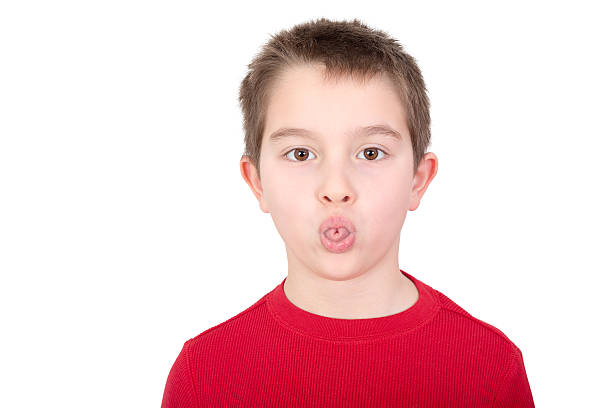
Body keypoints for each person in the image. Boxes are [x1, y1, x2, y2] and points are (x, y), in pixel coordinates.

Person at [161, 17, 535, 407]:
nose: (336, 189)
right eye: (300, 154)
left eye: (370, 153)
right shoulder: (204, 374)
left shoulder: (489, 368)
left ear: (418, 179)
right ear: (256, 182)